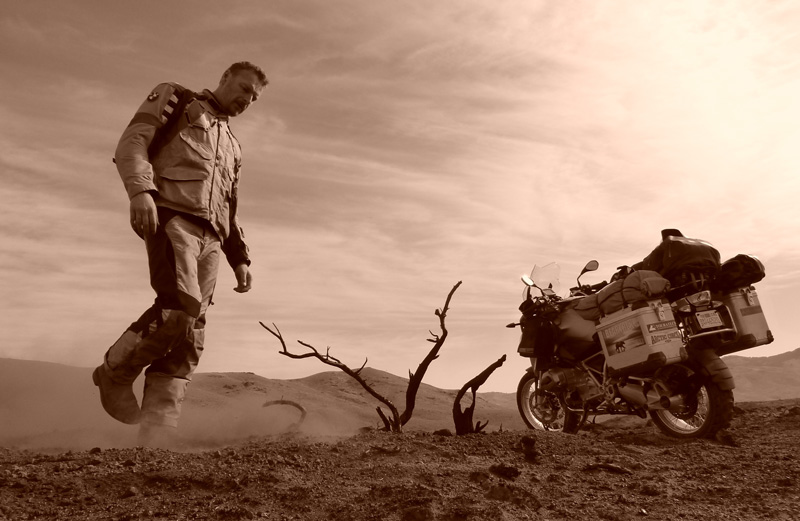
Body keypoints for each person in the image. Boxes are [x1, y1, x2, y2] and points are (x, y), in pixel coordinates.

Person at [93, 61, 268, 448]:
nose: (246, 99)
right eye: (242, 88)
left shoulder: (233, 145)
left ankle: (159, 432)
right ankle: (115, 372)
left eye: (254, 97)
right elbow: (133, 141)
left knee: (193, 331)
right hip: (172, 218)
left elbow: (229, 204)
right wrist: (140, 191)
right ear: (224, 79)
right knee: (176, 310)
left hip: (211, 238)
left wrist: (239, 257)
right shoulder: (176, 98)